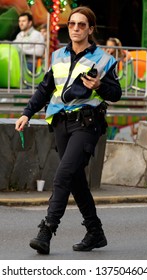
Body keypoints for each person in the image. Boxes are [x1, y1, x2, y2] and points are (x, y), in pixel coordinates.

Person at [15, 6, 122, 254]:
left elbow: (116, 93)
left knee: (63, 174)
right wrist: (26, 113)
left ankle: (47, 230)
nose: (75, 28)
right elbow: (45, 88)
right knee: (75, 180)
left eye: (81, 25)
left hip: (87, 124)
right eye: (72, 24)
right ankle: (95, 232)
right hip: (61, 123)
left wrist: (99, 85)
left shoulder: (103, 59)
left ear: (91, 29)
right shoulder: (58, 56)